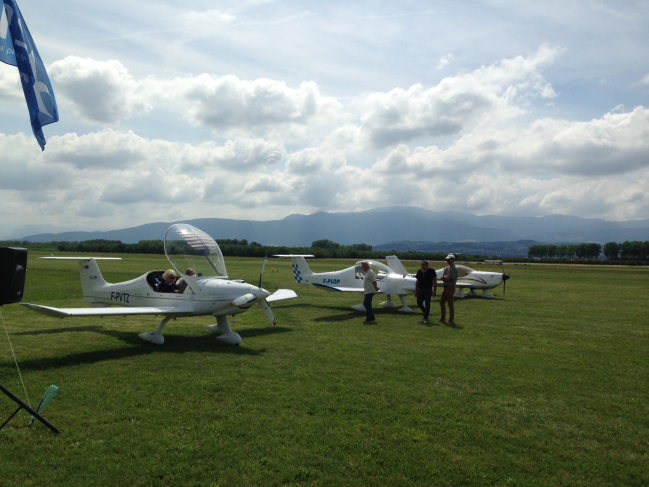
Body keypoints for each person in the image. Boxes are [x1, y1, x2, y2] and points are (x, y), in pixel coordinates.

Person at [439, 254, 458, 325]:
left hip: (450, 287)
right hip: (445, 287)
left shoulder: (454, 269)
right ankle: (442, 318)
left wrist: (445, 277)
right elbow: (442, 277)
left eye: (449, 259)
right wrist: (445, 277)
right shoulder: (446, 268)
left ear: (453, 260)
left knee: (450, 304)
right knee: (441, 302)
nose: (447, 261)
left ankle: (451, 320)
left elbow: (448, 278)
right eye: (447, 260)